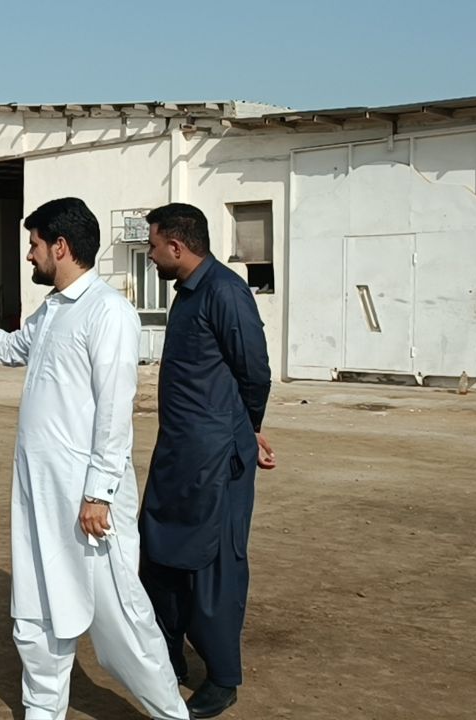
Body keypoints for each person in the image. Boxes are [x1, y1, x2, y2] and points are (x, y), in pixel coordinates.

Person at [0, 197, 190, 720]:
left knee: (123, 622)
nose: (29, 256)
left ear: (60, 247)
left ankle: (170, 714)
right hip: (38, 495)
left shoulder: (108, 312)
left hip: (88, 502)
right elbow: (9, 348)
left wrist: (98, 493)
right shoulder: (53, 310)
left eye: (34, 245)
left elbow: (114, 411)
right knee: (37, 616)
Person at [138, 202, 275, 719]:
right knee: (159, 555)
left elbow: (254, 372)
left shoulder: (224, 292)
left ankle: (222, 677)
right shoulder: (188, 293)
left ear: (176, 246)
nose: (150, 254)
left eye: (153, 246)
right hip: (178, 454)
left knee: (215, 567)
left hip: (217, 458)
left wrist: (246, 429)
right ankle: (169, 656)